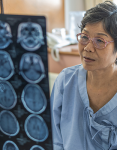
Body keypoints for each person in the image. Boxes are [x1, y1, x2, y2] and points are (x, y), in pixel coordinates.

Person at [50, 1, 117, 150]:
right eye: (84, 37)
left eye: (100, 41)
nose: (88, 48)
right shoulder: (65, 80)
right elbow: (54, 139)